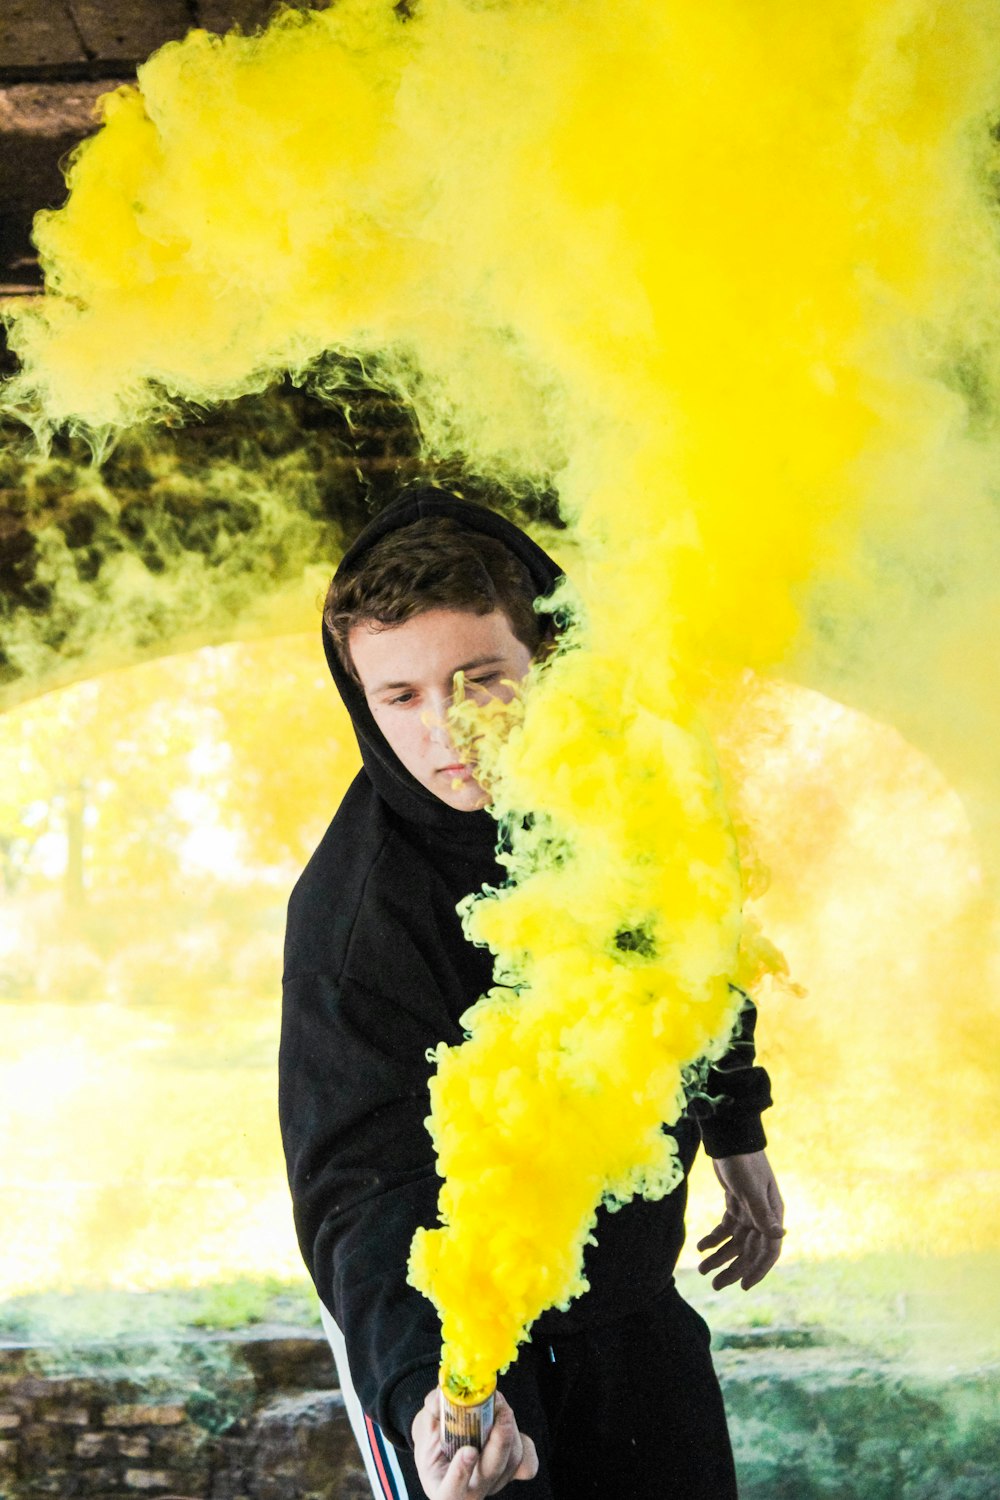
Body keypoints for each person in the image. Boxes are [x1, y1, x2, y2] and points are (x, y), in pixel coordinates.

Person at [279, 485, 785, 1500]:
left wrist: (735, 1128)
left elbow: (692, 954)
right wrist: (428, 1390)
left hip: (633, 1302)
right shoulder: (356, 918)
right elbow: (360, 1192)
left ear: (543, 658)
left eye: (480, 679)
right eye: (402, 697)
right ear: (362, 701)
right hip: (455, 1350)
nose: (447, 729)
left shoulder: (634, 788)